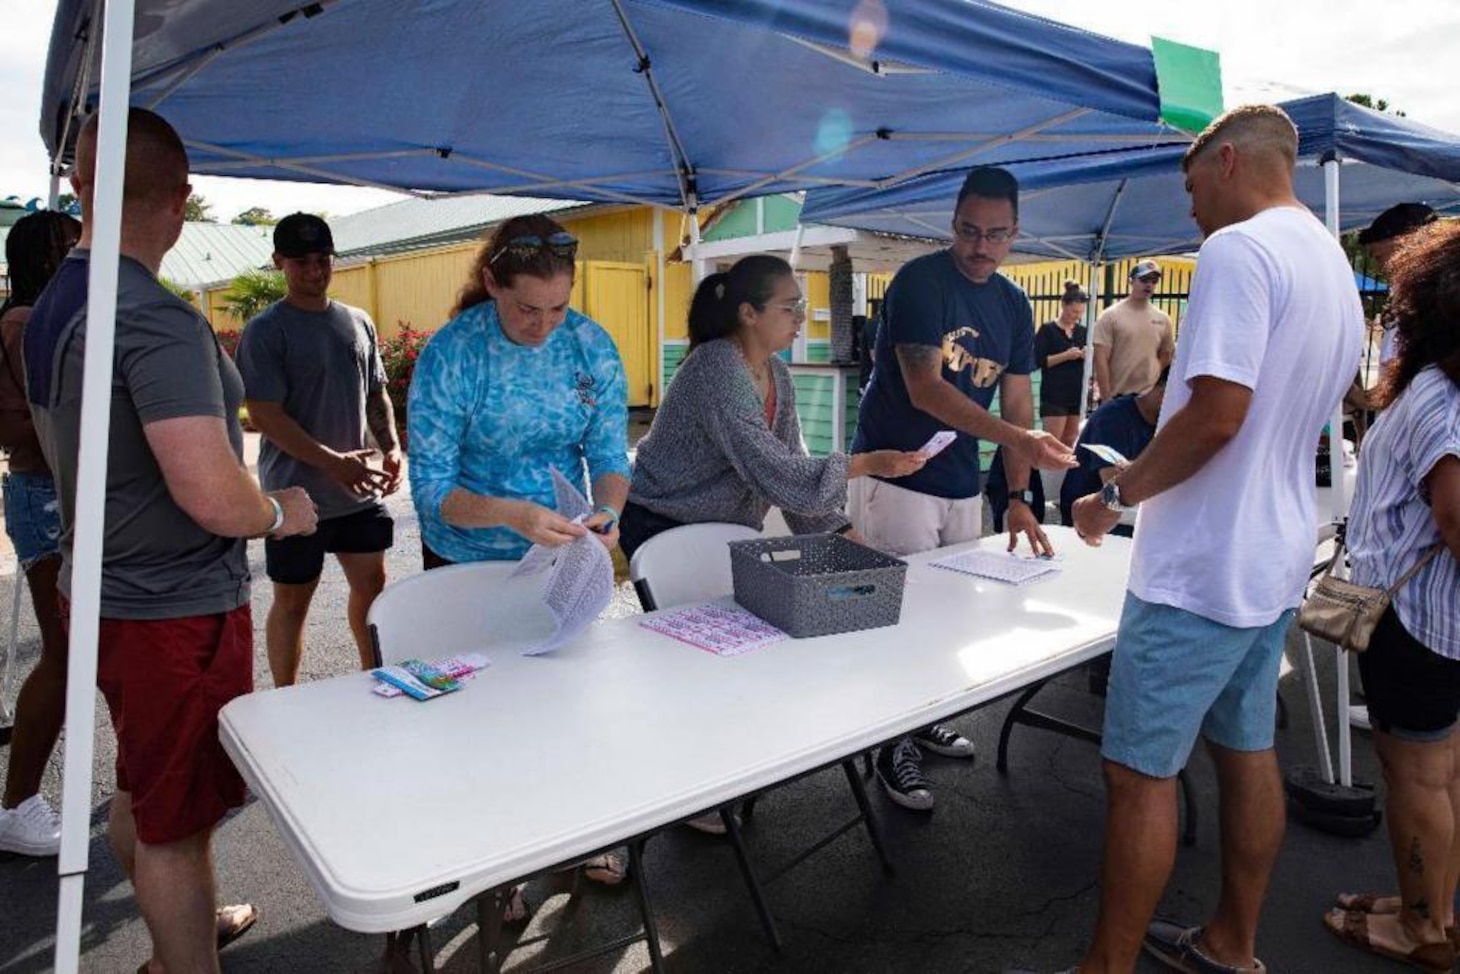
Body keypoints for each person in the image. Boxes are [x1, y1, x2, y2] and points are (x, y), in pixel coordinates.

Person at [1067, 105, 1363, 974]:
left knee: (1137, 776)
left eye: (1193, 185)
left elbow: (1217, 420)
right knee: (1248, 753)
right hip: (1272, 557)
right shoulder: (1330, 263)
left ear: (1229, 162)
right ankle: (1234, 942)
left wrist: (1113, 493)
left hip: (1200, 569)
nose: (1190, 208)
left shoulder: (1239, 251)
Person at [23, 108, 318, 974]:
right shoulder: (152, 316)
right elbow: (212, 494)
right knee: (176, 826)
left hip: (101, 590)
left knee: (144, 786)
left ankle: (181, 928)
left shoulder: (56, 305)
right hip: (171, 611)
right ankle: (184, 949)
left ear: (80, 188)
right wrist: (279, 514)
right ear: (181, 201)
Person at [407, 213, 631, 896]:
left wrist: (609, 512)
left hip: (560, 554)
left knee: (566, 702)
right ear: (491, 286)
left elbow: (608, 455)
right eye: (527, 309)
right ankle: (494, 863)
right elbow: (431, 490)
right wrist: (513, 515)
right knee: (479, 716)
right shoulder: (453, 353)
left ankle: (579, 833)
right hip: (466, 557)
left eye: (558, 307)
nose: (543, 325)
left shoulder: (590, 345)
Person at [849, 165, 1076, 812]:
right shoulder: (921, 282)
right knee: (897, 613)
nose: (981, 247)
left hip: (960, 482)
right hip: (897, 470)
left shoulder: (1012, 303)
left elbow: (1018, 396)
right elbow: (925, 387)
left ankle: (919, 720)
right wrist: (1019, 437)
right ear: (953, 224)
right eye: (970, 232)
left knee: (946, 615)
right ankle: (889, 744)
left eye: (997, 235)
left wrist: (1018, 496)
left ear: (1015, 234)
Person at [1321, 219, 1460, 974]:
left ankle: (1421, 929)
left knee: (1417, 777)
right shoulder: (1439, 387)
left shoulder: (1440, 397)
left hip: (1415, 622)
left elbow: (1453, 513)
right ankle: (1430, 908)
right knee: (1442, 774)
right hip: (1435, 619)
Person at [621, 254, 925, 560]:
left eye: (802, 306)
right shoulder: (715, 366)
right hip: (660, 524)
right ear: (749, 314)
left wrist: (842, 534)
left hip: (717, 527)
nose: (801, 318)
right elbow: (774, 469)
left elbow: (789, 469)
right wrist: (867, 464)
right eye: (790, 307)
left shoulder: (777, 371)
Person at [236, 213, 402, 686]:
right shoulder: (267, 331)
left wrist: (390, 449)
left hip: (357, 492)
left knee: (372, 588)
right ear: (279, 263)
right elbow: (264, 414)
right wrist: (332, 463)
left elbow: (376, 393)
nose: (315, 270)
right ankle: (284, 697)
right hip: (295, 496)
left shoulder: (358, 321)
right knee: (293, 600)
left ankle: (377, 681)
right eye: (302, 261)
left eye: (323, 259)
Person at [0, 210, 79, 857]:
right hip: (47, 500)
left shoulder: (34, 318)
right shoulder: (27, 323)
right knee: (65, 652)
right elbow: (46, 421)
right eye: (70, 244)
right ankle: (18, 802)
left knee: (79, 650)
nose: (82, 251)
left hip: (52, 496)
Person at [1058, 369, 1168, 534]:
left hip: (1134, 516)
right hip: (1091, 520)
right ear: (1162, 393)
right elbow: (1113, 490)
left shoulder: (1162, 425)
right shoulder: (1112, 418)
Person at [1360, 202, 1437, 368]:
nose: (1380, 268)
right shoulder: (1408, 298)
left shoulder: (1440, 304)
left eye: (1379, 256)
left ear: (1403, 246)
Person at [1092, 259, 1174, 401]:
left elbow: (1166, 354)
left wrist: (1153, 372)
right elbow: (1101, 360)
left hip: (1147, 398)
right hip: (1118, 396)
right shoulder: (1111, 316)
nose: (1149, 285)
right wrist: (1106, 398)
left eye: (1154, 281)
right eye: (1144, 279)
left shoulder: (1163, 319)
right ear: (1131, 281)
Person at [1034, 280, 1090, 448]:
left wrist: (1087, 355)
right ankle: (1044, 474)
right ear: (1064, 305)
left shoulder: (1083, 332)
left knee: (1071, 439)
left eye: (1080, 312)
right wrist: (1066, 355)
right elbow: (1040, 361)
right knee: (1052, 441)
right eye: (1073, 311)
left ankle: (1063, 473)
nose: (1077, 316)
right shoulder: (1047, 330)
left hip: (1076, 393)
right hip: (1055, 395)